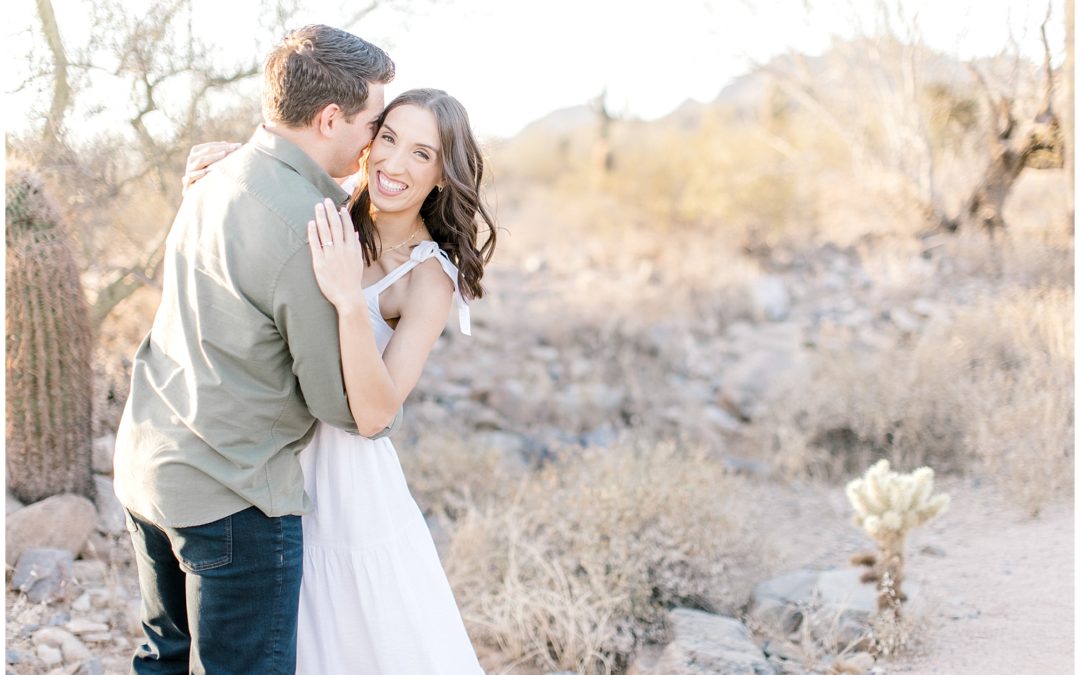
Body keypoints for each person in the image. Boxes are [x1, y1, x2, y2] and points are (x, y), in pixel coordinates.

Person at [113, 25, 398, 673]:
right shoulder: (310, 226)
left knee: (162, 657)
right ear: (330, 117)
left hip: (148, 463)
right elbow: (344, 406)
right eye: (373, 122)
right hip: (230, 497)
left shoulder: (217, 173)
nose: (374, 141)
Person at [187, 88, 497, 673]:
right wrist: (235, 171)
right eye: (388, 138)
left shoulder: (427, 279)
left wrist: (352, 301)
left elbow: (378, 414)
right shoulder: (329, 206)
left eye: (421, 154)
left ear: (441, 175)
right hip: (271, 457)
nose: (395, 163)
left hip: (348, 486)